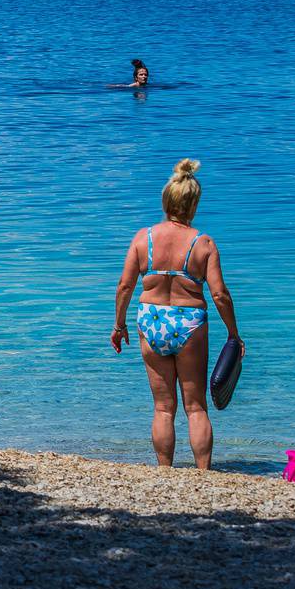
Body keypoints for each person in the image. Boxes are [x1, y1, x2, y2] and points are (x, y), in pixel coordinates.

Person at [112, 159, 241, 469]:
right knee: (195, 408)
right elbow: (220, 294)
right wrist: (233, 334)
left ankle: (165, 473)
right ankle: (202, 474)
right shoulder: (203, 243)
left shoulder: (144, 238)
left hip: (150, 321)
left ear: (166, 200)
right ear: (193, 204)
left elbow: (125, 285)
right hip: (189, 323)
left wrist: (119, 325)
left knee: (163, 408)